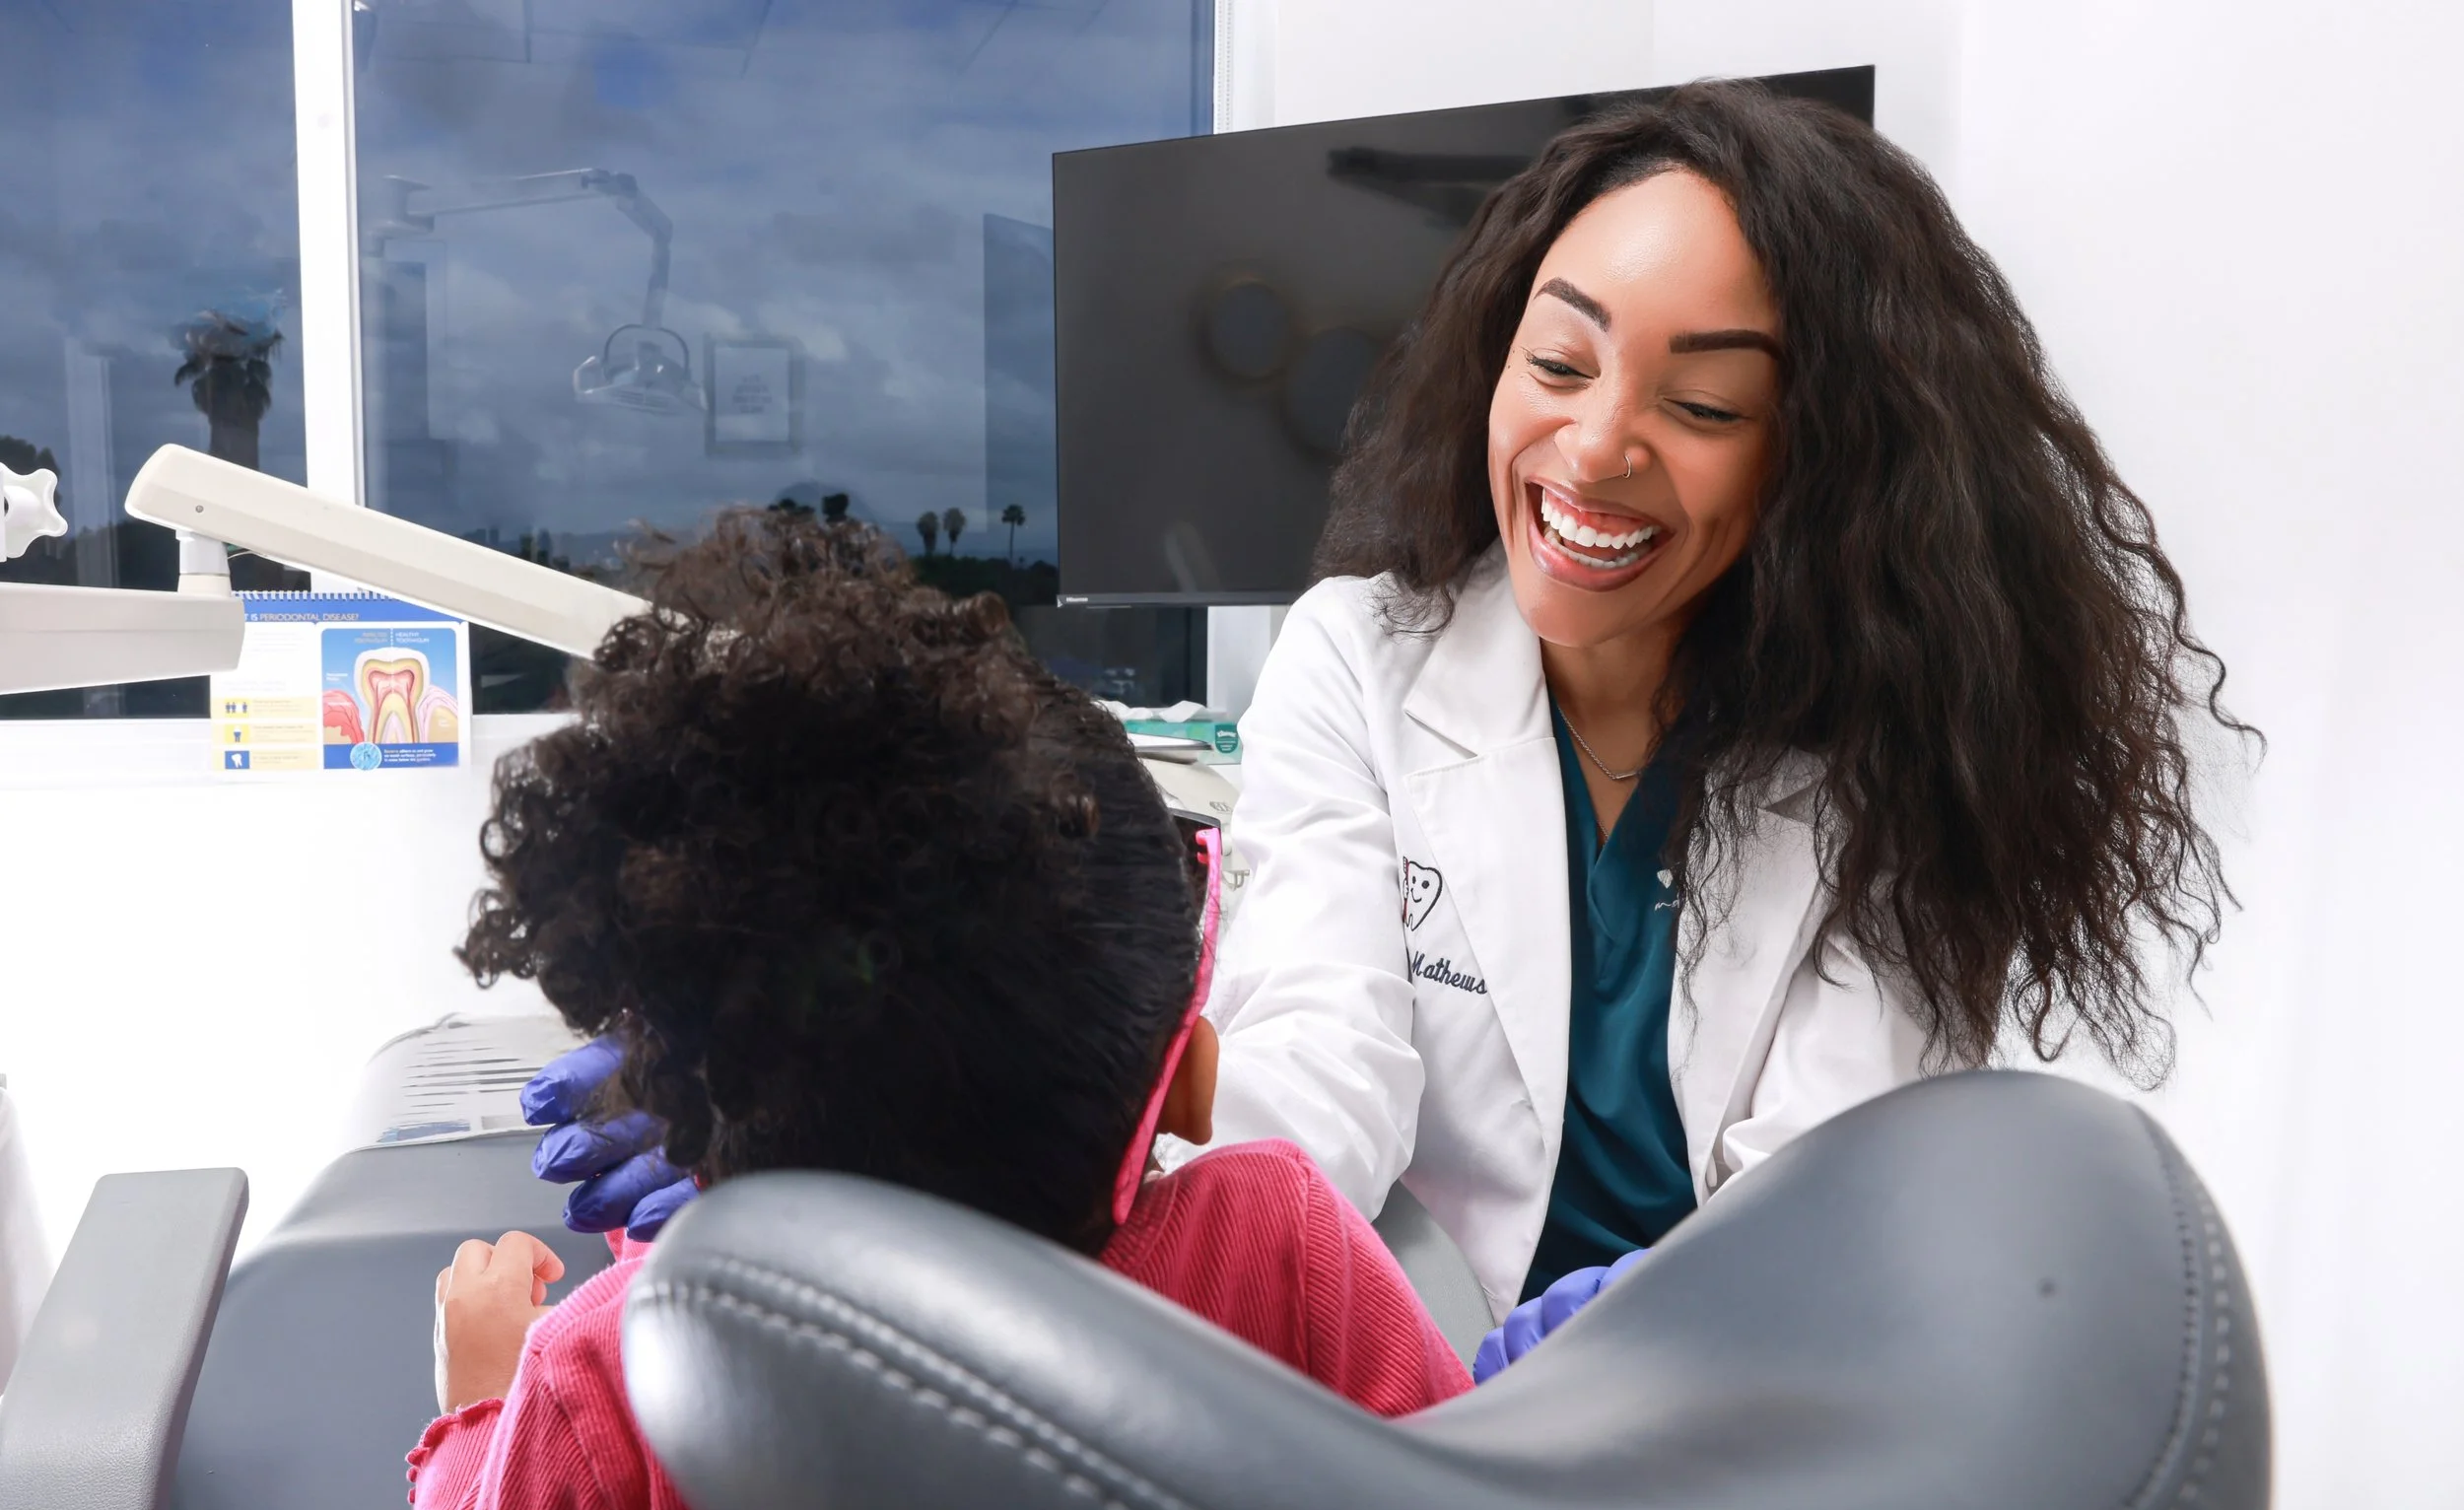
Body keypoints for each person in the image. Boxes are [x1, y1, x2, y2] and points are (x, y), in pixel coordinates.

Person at [526, 80, 2248, 1348]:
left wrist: (1660, 1323)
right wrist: (832, 1080)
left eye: (1702, 399)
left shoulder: (1892, 740)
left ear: (1828, 460)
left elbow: (1837, 1179)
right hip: (1410, 1364)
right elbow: (1321, 1070)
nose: (1593, 450)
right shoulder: (1363, 652)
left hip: (1750, 1397)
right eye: (1558, 364)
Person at [364, 513, 1470, 1510]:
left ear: (690, 1103)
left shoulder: (606, 1388)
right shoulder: (1280, 1253)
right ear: (1187, 1079)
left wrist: (476, 1424)